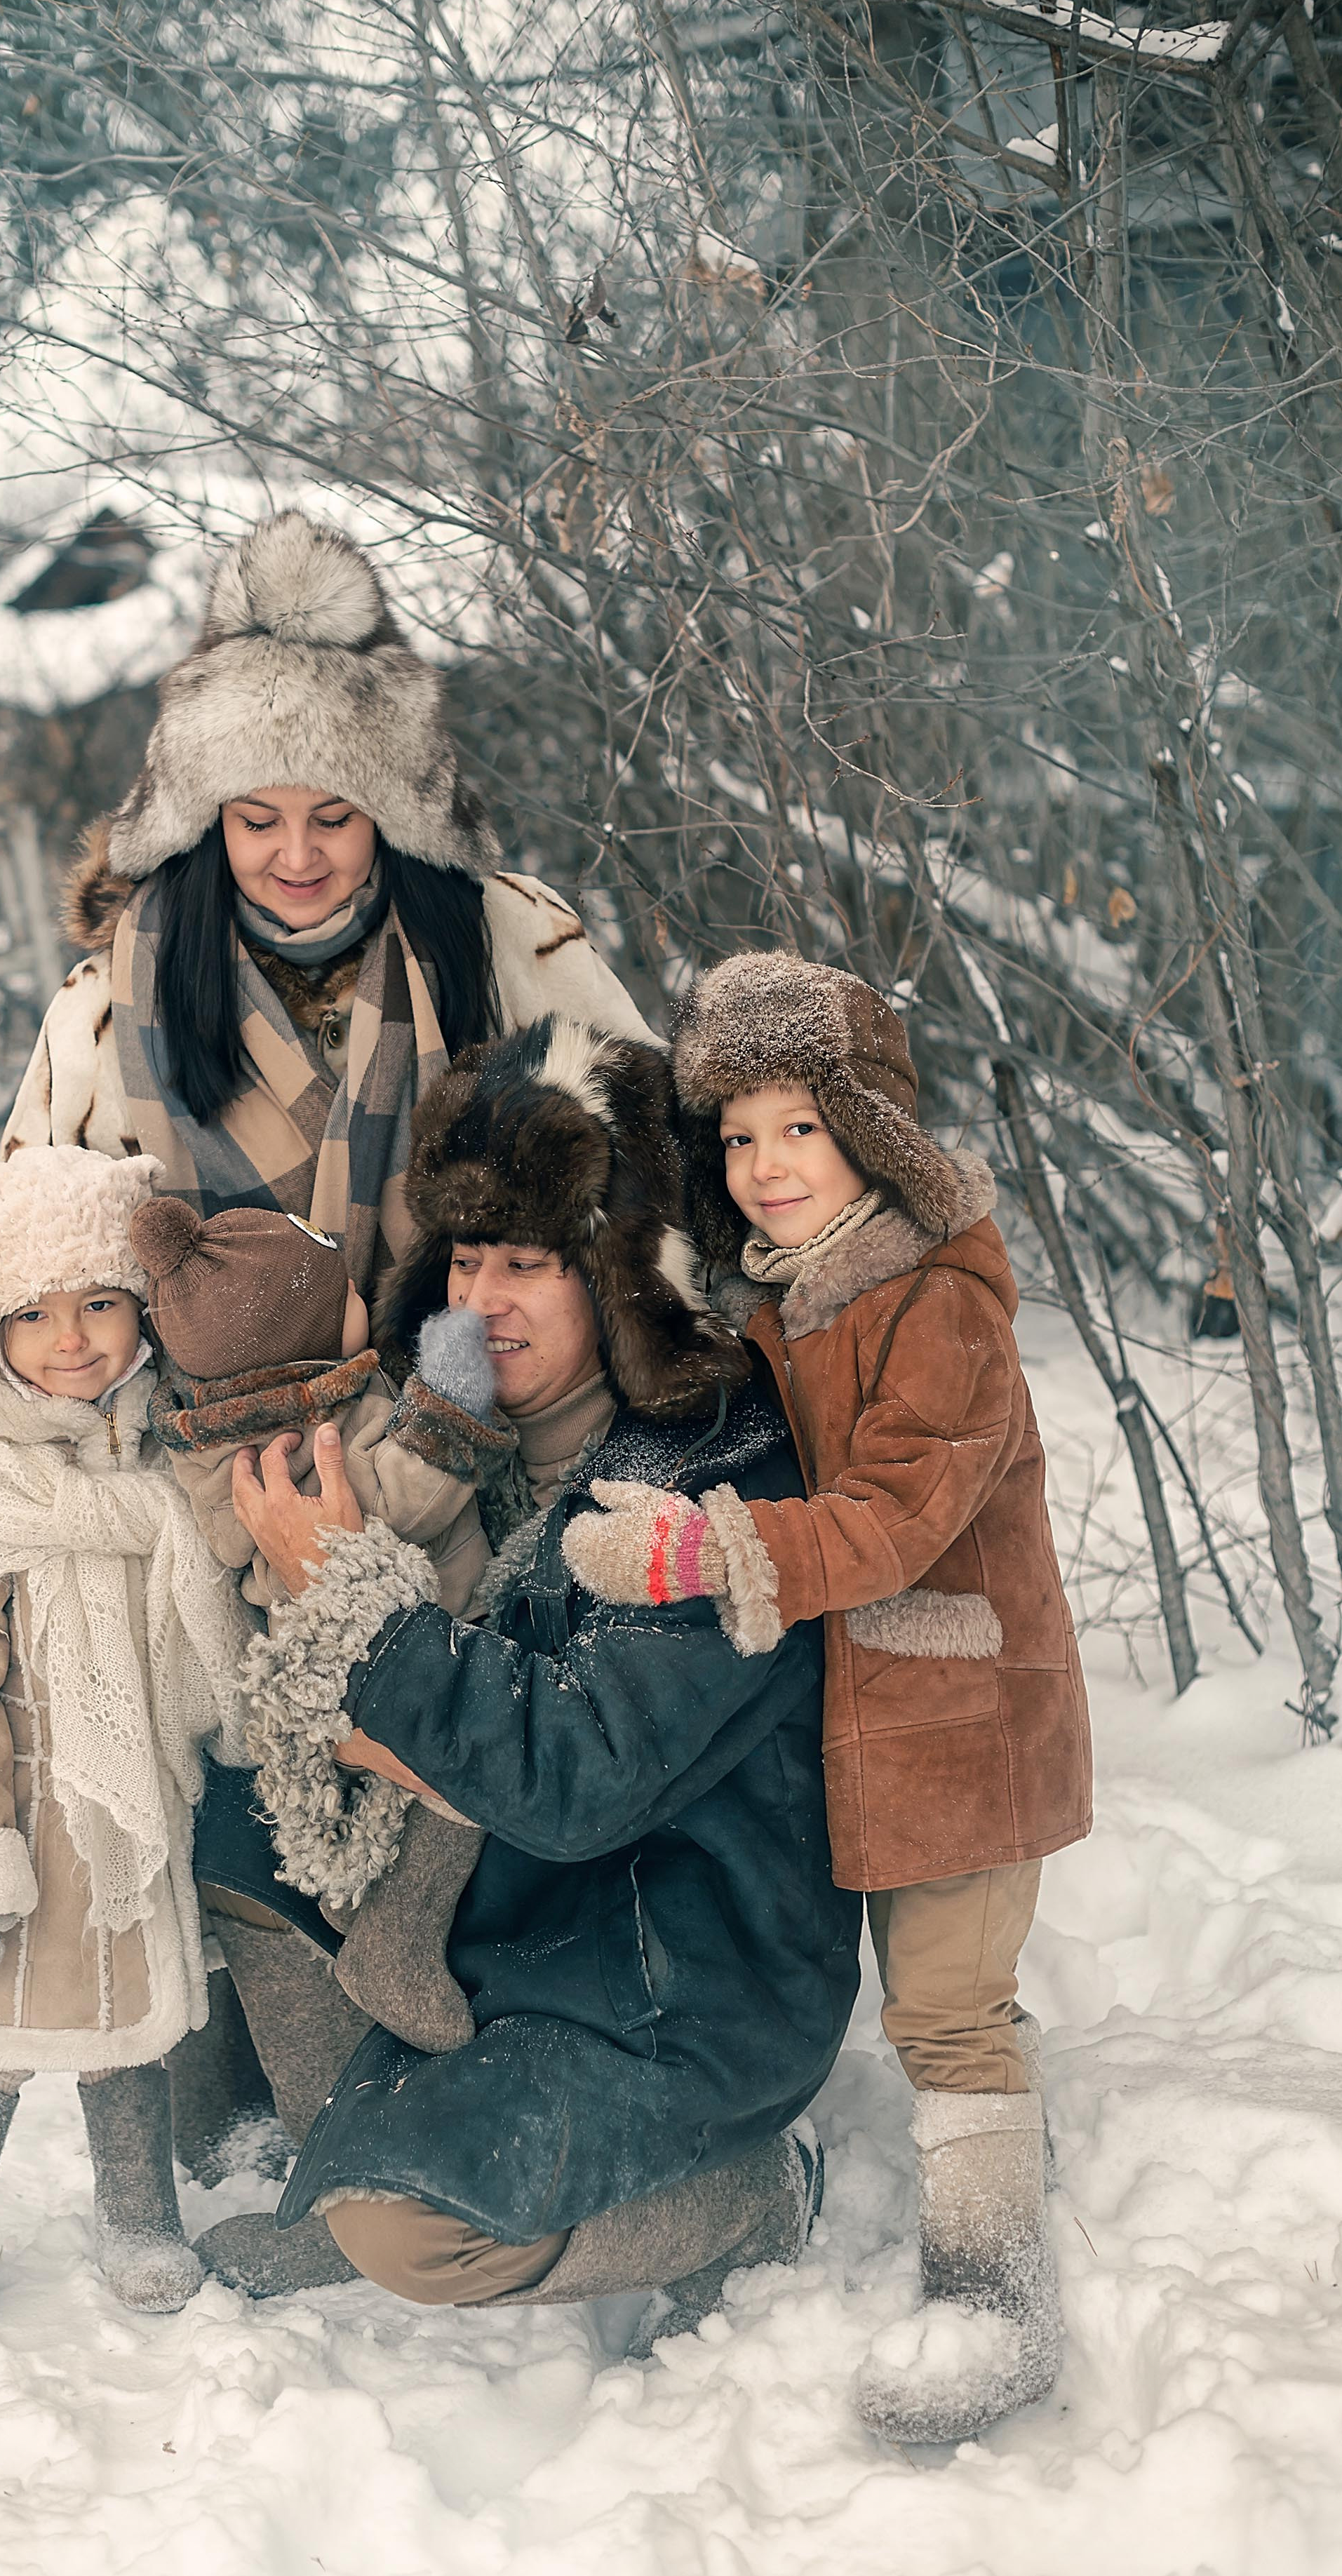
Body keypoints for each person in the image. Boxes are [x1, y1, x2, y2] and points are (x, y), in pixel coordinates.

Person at [192, 1017, 863, 2348]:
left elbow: (577, 1771)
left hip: (669, 1961)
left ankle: (743, 2203)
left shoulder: (707, 1478)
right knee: (233, 1819)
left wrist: (359, 1607)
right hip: (521, 1907)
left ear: (620, 1276)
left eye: (531, 1264)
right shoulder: (454, 1443)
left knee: (415, 2234)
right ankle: (348, 2157)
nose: (483, 1301)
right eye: (466, 1259)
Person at [561, 952, 1094, 2440]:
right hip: (850, 1723)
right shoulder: (793, 1306)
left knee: (946, 2010)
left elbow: (891, 1521)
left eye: (796, 1127)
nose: (762, 1164)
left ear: (871, 1130)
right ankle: (739, 2205)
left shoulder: (937, 1305)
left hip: (958, 1722)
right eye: (734, 1135)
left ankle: (995, 2298)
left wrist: (688, 1551)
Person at [0, 508, 651, 1491]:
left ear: (391, 812)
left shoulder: (504, 936)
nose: (297, 856)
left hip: (486, 1448)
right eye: (256, 819)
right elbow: (32, 1225)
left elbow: (653, 1163)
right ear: (206, 820)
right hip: (224, 1472)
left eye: (334, 817)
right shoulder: (114, 996)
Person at [0, 1145, 247, 2333]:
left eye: (98, 1303)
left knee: (123, 2037)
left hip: (130, 1814)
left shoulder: (162, 1460)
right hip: (21, 1822)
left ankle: (139, 2217)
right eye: (33, 1314)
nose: (72, 1337)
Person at [130, 1191, 517, 2052]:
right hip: (422, 1632)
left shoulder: (205, 1439)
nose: (363, 1304)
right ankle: (397, 1941)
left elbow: (233, 1535)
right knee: (469, 1771)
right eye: (344, 1297)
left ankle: (357, 1906)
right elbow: (394, 1503)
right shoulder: (330, 1420)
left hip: (305, 1666)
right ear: (301, 1335)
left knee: (374, 1797)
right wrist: (452, 1398)